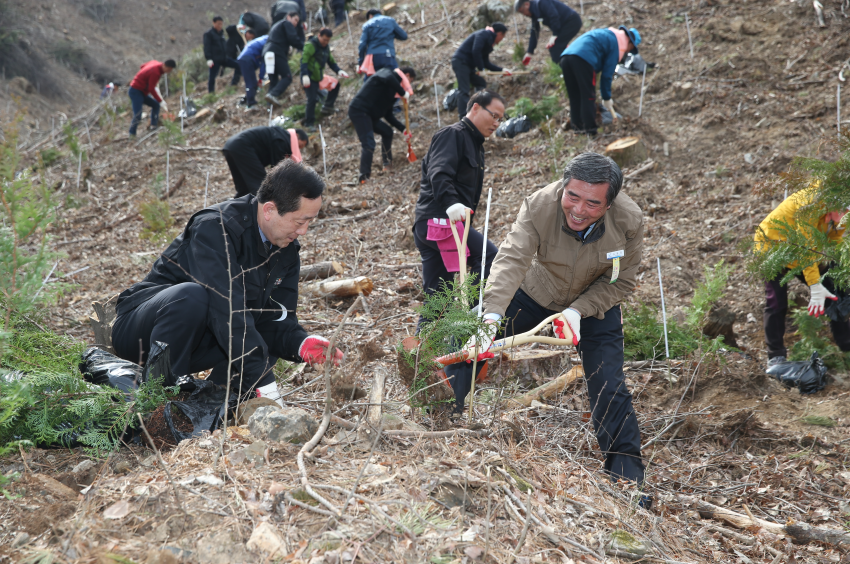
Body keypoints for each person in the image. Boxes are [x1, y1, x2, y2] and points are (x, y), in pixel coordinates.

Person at [456, 152, 646, 486]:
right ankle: (440, 421)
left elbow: (622, 281)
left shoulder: (629, 221)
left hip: (593, 308)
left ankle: (626, 479)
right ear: (562, 187)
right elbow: (512, 259)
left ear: (610, 204)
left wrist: (577, 311)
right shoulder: (540, 206)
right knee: (465, 340)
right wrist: (489, 318)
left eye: (592, 204)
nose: (578, 210)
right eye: (572, 196)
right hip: (535, 293)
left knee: (610, 386)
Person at [112, 160, 341, 402]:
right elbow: (226, 308)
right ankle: (160, 400)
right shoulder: (215, 227)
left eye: (309, 222)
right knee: (193, 296)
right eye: (300, 221)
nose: (303, 231)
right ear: (269, 210)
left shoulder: (285, 249)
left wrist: (300, 343)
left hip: (202, 340)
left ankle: (214, 403)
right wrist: (263, 380)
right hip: (141, 334)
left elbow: (275, 319)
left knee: (257, 331)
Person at [413, 90, 505, 349]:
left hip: (439, 224)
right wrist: (451, 203)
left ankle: (421, 353)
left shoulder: (475, 145)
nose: (497, 123)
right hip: (439, 222)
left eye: (501, 119)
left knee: (437, 295)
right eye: (494, 115)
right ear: (475, 108)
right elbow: (439, 171)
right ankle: (466, 326)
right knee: (488, 256)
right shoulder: (453, 134)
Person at [755, 189, 850, 366]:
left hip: (801, 254)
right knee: (777, 301)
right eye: (844, 211)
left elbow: (834, 244)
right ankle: (776, 357)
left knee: (835, 292)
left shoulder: (840, 215)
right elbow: (805, 248)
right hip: (772, 247)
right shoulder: (809, 205)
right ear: (833, 204)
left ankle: (846, 345)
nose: (846, 216)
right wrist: (815, 285)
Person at [560, 26, 640, 135]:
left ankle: (578, 129)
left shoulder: (607, 35)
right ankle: (590, 131)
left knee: (575, 96)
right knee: (588, 96)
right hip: (583, 59)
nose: (628, 51)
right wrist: (606, 97)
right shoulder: (616, 44)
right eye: (631, 48)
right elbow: (606, 75)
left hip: (566, 58)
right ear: (629, 41)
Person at [348, 66, 415, 183]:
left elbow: (388, 115)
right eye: (410, 81)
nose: (409, 85)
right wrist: (402, 92)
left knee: (387, 132)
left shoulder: (393, 92)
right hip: (360, 110)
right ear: (407, 76)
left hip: (370, 115)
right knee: (369, 143)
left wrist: (403, 129)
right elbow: (388, 78)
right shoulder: (387, 73)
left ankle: (387, 164)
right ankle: (364, 177)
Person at [222, 126, 309, 197]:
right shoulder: (283, 140)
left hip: (230, 146)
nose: (299, 148)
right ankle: (259, 213)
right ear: (296, 136)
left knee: (244, 189)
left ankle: (232, 213)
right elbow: (277, 170)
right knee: (261, 187)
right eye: (300, 145)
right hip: (242, 146)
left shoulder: (279, 134)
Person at [451, 23, 512, 120]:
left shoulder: (489, 40)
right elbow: (476, 50)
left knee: (480, 82)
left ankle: (479, 107)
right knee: (464, 90)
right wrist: (481, 69)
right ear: (499, 33)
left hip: (468, 65)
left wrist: (502, 70)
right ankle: (463, 116)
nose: (501, 40)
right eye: (503, 37)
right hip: (461, 62)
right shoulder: (484, 34)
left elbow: (486, 62)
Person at [301, 28, 349, 129]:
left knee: (335, 84)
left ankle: (328, 106)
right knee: (312, 99)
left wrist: (339, 71)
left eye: (327, 40)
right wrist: (305, 75)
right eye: (324, 39)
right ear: (319, 36)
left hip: (319, 76)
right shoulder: (310, 45)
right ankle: (309, 123)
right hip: (309, 77)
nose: (325, 42)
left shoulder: (326, 48)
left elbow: (330, 61)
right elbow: (304, 60)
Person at [514, 0, 582, 66]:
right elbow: (534, 32)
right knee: (558, 46)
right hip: (563, 26)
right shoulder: (535, 13)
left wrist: (555, 34)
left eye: (522, 11)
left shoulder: (542, 3)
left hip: (571, 21)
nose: (524, 14)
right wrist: (529, 52)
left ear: (526, 4)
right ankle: (570, 67)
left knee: (555, 47)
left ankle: (561, 71)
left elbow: (553, 15)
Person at [264, 11, 304, 106]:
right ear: (289, 17)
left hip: (267, 53)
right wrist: (304, 47)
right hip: (277, 52)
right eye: (295, 20)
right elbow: (293, 38)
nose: (296, 23)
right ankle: (273, 94)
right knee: (287, 77)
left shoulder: (276, 25)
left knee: (273, 81)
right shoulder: (286, 23)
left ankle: (269, 107)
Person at [127, 59, 175, 137]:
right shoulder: (155, 72)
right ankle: (132, 134)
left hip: (142, 91)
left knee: (155, 105)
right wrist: (160, 100)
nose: (168, 72)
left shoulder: (155, 62)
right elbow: (151, 89)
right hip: (135, 91)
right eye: (168, 70)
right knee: (138, 114)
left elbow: (142, 66)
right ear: (165, 66)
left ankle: (153, 126)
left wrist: (146, 78)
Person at [357, 9, 408, 76]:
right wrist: (391, 34)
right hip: (388, 55)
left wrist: (361, 61)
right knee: (395, 78)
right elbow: (404, 36)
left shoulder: (367, 24)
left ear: (370, 16)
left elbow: (362, 44)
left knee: (371, 81)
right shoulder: (390, 21)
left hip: (372, 57)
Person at [204, 16, 240, 93]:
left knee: (239, 65)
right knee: (212, 77)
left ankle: (234, 84)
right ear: (214, 23)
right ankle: (211, 93)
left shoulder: (221, 33)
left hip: (224, 58)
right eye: (218, 24)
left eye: (221, 24)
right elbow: (207, 47)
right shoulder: (208, 34)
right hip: (215, 60)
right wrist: (209, 58)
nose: (220, 26)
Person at [237, 31, 268, 110]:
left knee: (252, 82)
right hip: (247, 59)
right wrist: (261, 78)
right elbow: (264, 62)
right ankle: (251, 103)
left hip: (247, 58)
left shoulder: (264, 39)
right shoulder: (267, 43)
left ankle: (247, 100)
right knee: (251, 82)